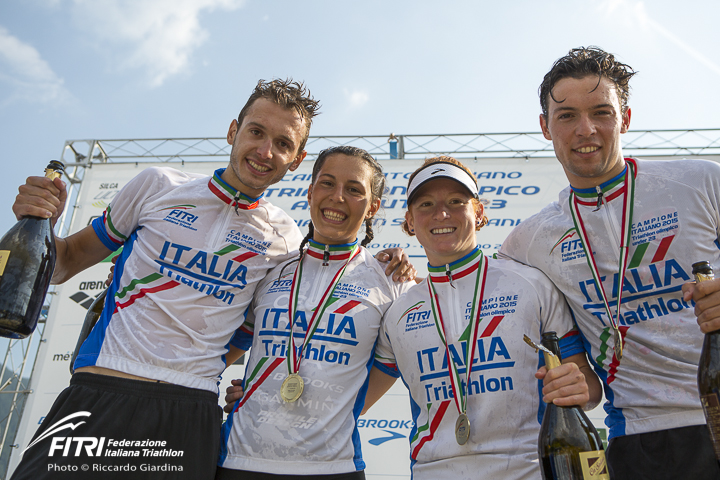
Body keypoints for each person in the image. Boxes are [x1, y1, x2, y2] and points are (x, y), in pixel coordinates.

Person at [9, 80, 411, 479]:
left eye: (283, 144)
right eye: (256, 132)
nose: (265, 151)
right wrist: (44, 218)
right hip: (101, 390)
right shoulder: (156, 185)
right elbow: (65, 263)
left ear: (296, 159)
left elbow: (259, 327)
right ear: (234, 130)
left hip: (190, 411)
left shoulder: (285, 239)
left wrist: (389, 265)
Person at [499, 46, 720, 479]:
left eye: (602, 112)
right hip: (635, 439)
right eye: (566, 116)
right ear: (545, 126)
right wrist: (398, 269)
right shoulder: (527, 242)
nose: (586, 130)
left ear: (626, 119)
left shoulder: (702, 182)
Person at [373, 156, 601, 479]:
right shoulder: (397, 313)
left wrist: (580, 387)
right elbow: (351, 403)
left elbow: (589, 387)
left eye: (455, 201)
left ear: (478, 212)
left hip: (528, 472)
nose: (441, 214)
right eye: (426, 204)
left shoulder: (531, 286)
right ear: (410, 221)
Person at [216, 146, 413, 480]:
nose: (337, 197)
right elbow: (215, 351)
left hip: (333, 467)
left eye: (354, 189)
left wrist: (337, 413)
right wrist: (252, 393)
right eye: (327, 183)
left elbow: (391, 366)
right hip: (238, 461)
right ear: (309, 192)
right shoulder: (271, 270)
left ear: (372, 207)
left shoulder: (390, 280)